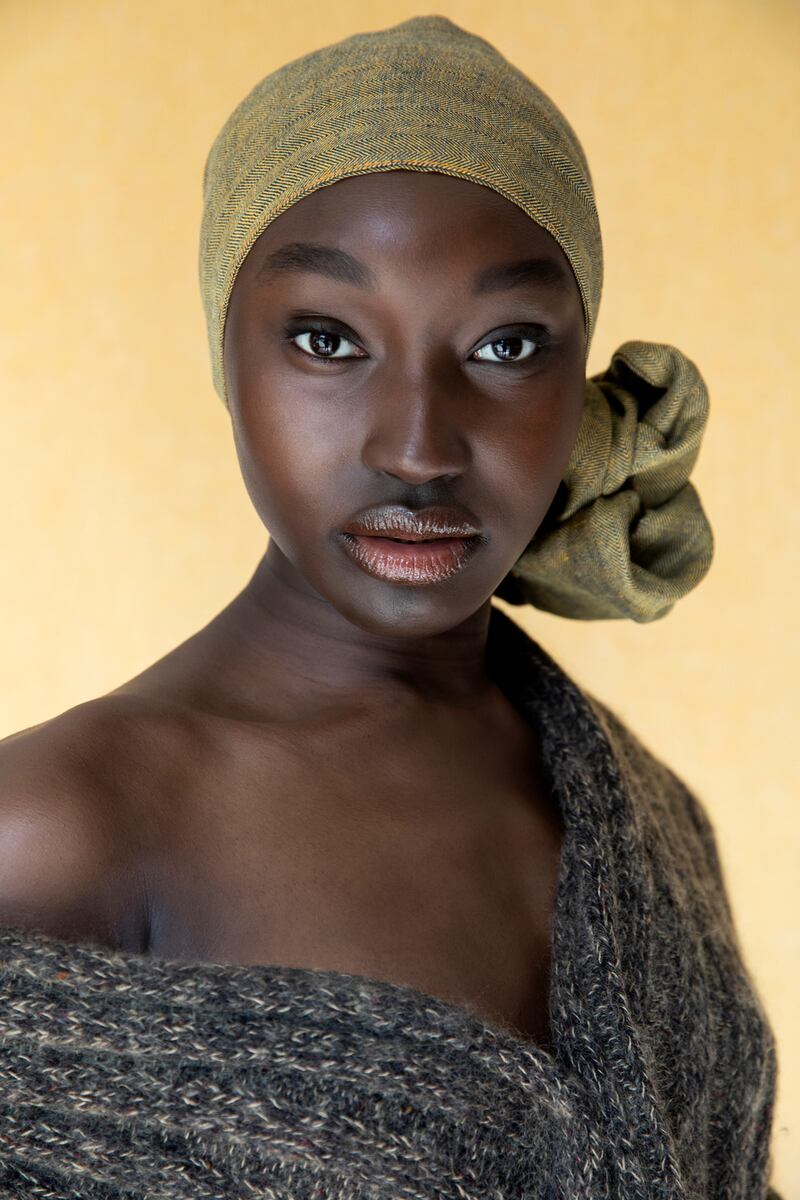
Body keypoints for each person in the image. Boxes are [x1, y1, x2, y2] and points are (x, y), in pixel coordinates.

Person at [0, 15, 781, 1199]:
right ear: (227, 354)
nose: (418, 447)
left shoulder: (649, 821)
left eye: (507, 344)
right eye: (327, 338)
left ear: (578, 379)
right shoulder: (56, 828)